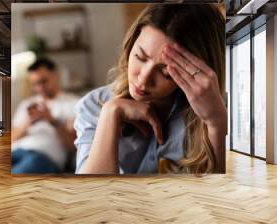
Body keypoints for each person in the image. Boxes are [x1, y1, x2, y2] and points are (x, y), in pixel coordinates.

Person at [74, 4, 226, 174]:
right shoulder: (94, 104)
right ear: (130, 45)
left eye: (166, 72)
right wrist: (111, 112)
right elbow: (93, 194)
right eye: (140, 57)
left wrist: (215, 123)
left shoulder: (215, 111)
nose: (144, 79)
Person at [11, 58, 79, 174]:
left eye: (43, 81)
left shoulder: (74, 103)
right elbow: (10, 139)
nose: (39, 88)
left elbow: (72, 145)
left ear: (56, 76)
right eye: (34, 84)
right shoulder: (26, 104)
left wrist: (52, 121)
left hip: (43, 157)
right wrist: (28, 123)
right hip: (15, 152)